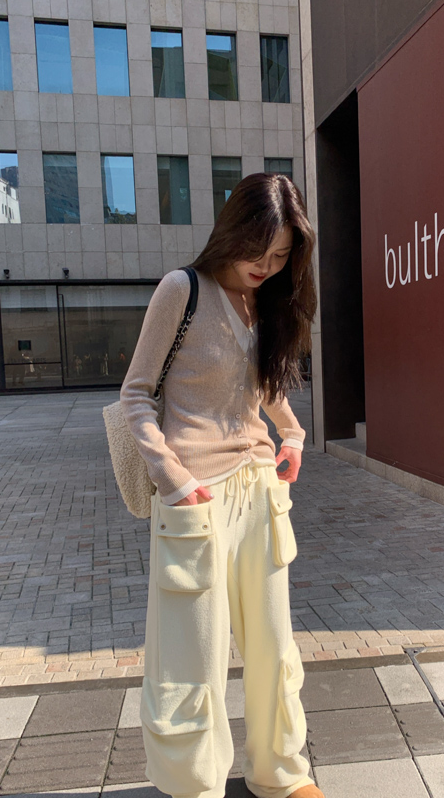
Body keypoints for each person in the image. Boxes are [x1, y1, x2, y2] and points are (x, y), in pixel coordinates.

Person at [121, 173, 324, 798]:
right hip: (196, 497)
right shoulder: (181, 290)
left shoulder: (264, 301)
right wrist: (173, 478)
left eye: (282, 255)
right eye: (258, 250)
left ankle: (281, 774)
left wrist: (293, 436)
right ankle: (195, 786)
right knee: (192, 657)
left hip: (261, 491)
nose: (267, 266)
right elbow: (135, 395)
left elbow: (263, 387)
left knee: (273, 646)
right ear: (232, 232)